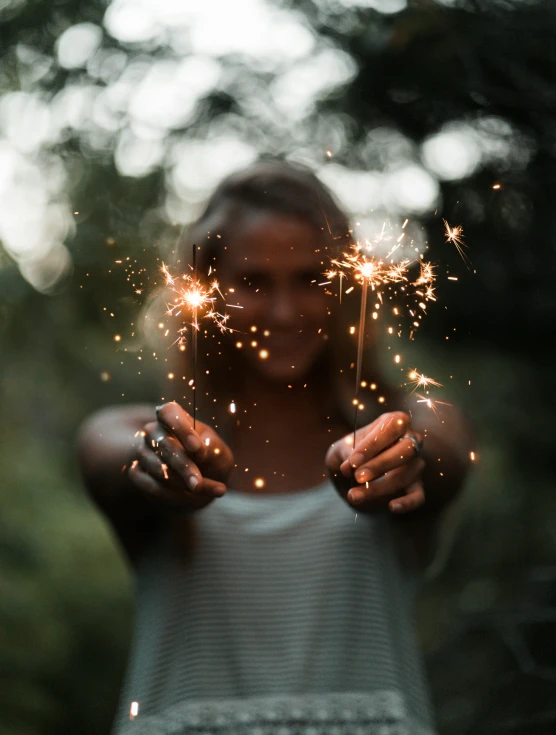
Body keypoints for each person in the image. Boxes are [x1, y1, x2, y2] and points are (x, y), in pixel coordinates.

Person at [78, 161, 472, 735]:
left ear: (344, 286)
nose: (285, 312)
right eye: (254, 282)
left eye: (310, 278)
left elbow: (445, 447)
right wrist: (162, 462)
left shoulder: (408, 421)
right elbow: (108, 451)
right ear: (207, 291)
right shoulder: (150, 435)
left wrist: (401, 453)